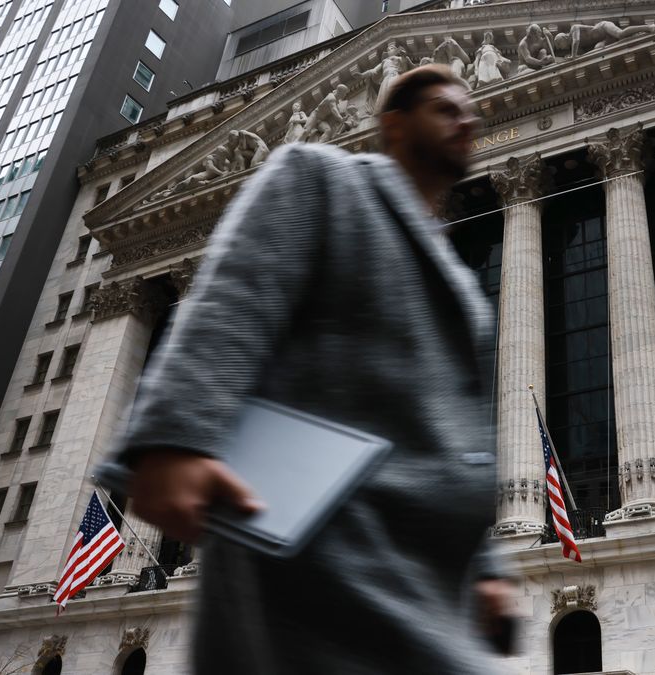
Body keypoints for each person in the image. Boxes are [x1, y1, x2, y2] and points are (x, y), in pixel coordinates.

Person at [113, 65, 514, 674]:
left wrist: (486, 569)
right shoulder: (321, 178)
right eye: (445, 108)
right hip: (310, 541)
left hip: (425, 577)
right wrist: (175, 440)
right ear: (395, 125)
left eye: (469, 110)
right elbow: (235, 300)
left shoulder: (462, 290)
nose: (466, 120)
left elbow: (458, 445)